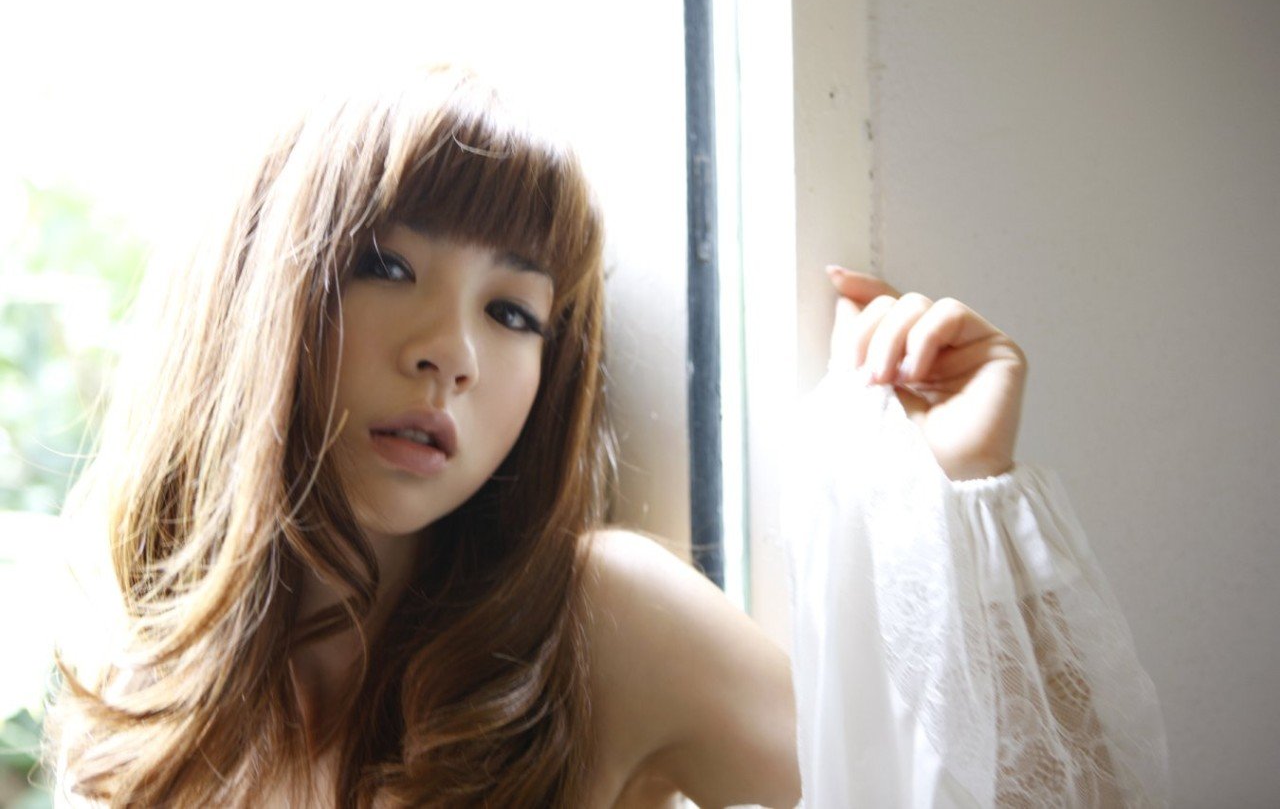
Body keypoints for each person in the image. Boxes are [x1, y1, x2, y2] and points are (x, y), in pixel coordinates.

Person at [44, 65, 1165, 807]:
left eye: (512, 312)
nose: (451, 352)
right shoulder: (137, 667)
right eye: (387, 265)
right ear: (258, 297)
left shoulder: (596, 625)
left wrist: (960, 497)